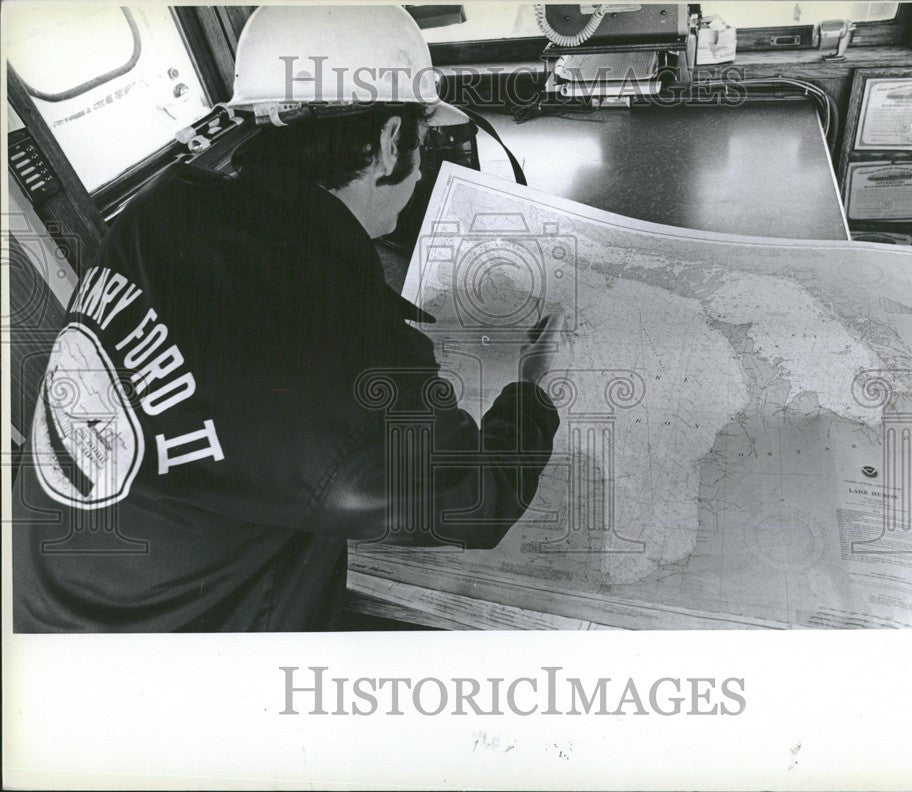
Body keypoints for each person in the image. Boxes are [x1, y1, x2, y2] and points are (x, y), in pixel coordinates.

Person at [13, 5, 562, 632]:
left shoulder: (157, 209)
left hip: (45, 607)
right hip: (171, 669)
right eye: (423, 137)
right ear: (389, 142)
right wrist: (533, 387)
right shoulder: (340, 355)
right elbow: (477, 503)